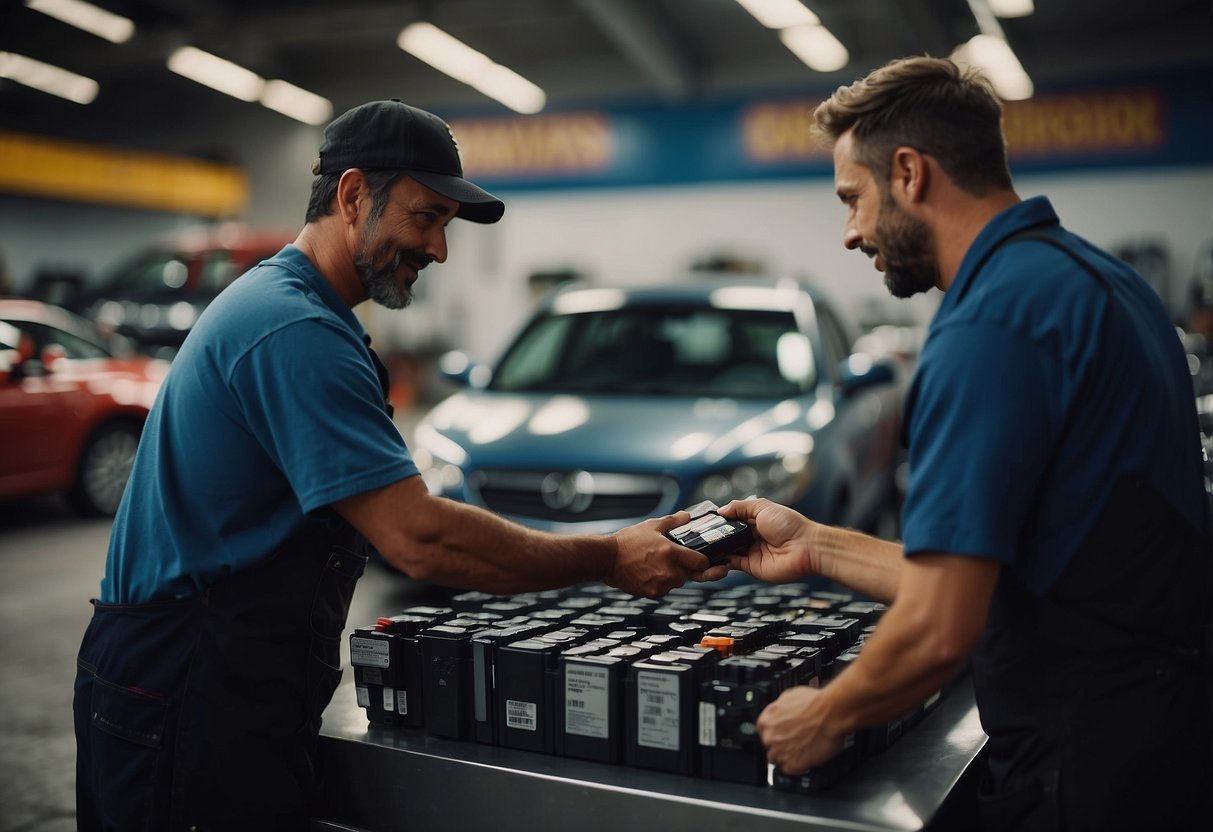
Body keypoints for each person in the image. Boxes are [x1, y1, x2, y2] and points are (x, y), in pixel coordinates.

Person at [72, 99, 710, 831]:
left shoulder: (300, 312)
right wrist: (609, 556)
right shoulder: (294, 330)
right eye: (426, 217)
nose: (439, 250)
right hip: (184, 690)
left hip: (209, 681)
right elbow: (416, 537)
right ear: (351, 197)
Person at [717, 57, 1213, 831]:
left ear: (909, 173)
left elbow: (942, 626)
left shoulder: (990, 325)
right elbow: (998, 575)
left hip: (1085, 772)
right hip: (1160, 737)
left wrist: (824, 713)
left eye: (851, 199)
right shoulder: (1102, 282)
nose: (848, 233)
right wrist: (815, 545)